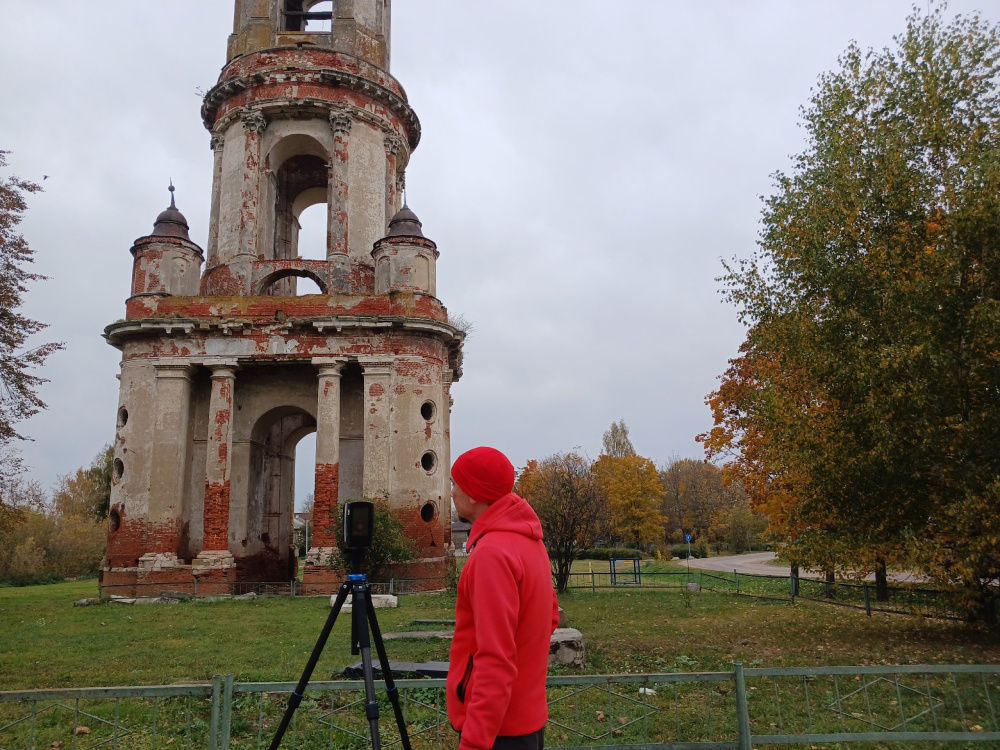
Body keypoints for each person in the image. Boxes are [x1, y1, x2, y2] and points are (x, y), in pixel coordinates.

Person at [446, 446, 560, 750]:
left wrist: (474, 742)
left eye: (455, 483)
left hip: (497, 731)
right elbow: (549, 617)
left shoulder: (492, 554)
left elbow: (495, 659)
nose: (452, 491)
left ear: (472, 494)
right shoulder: (529, 540)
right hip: (526, 720)